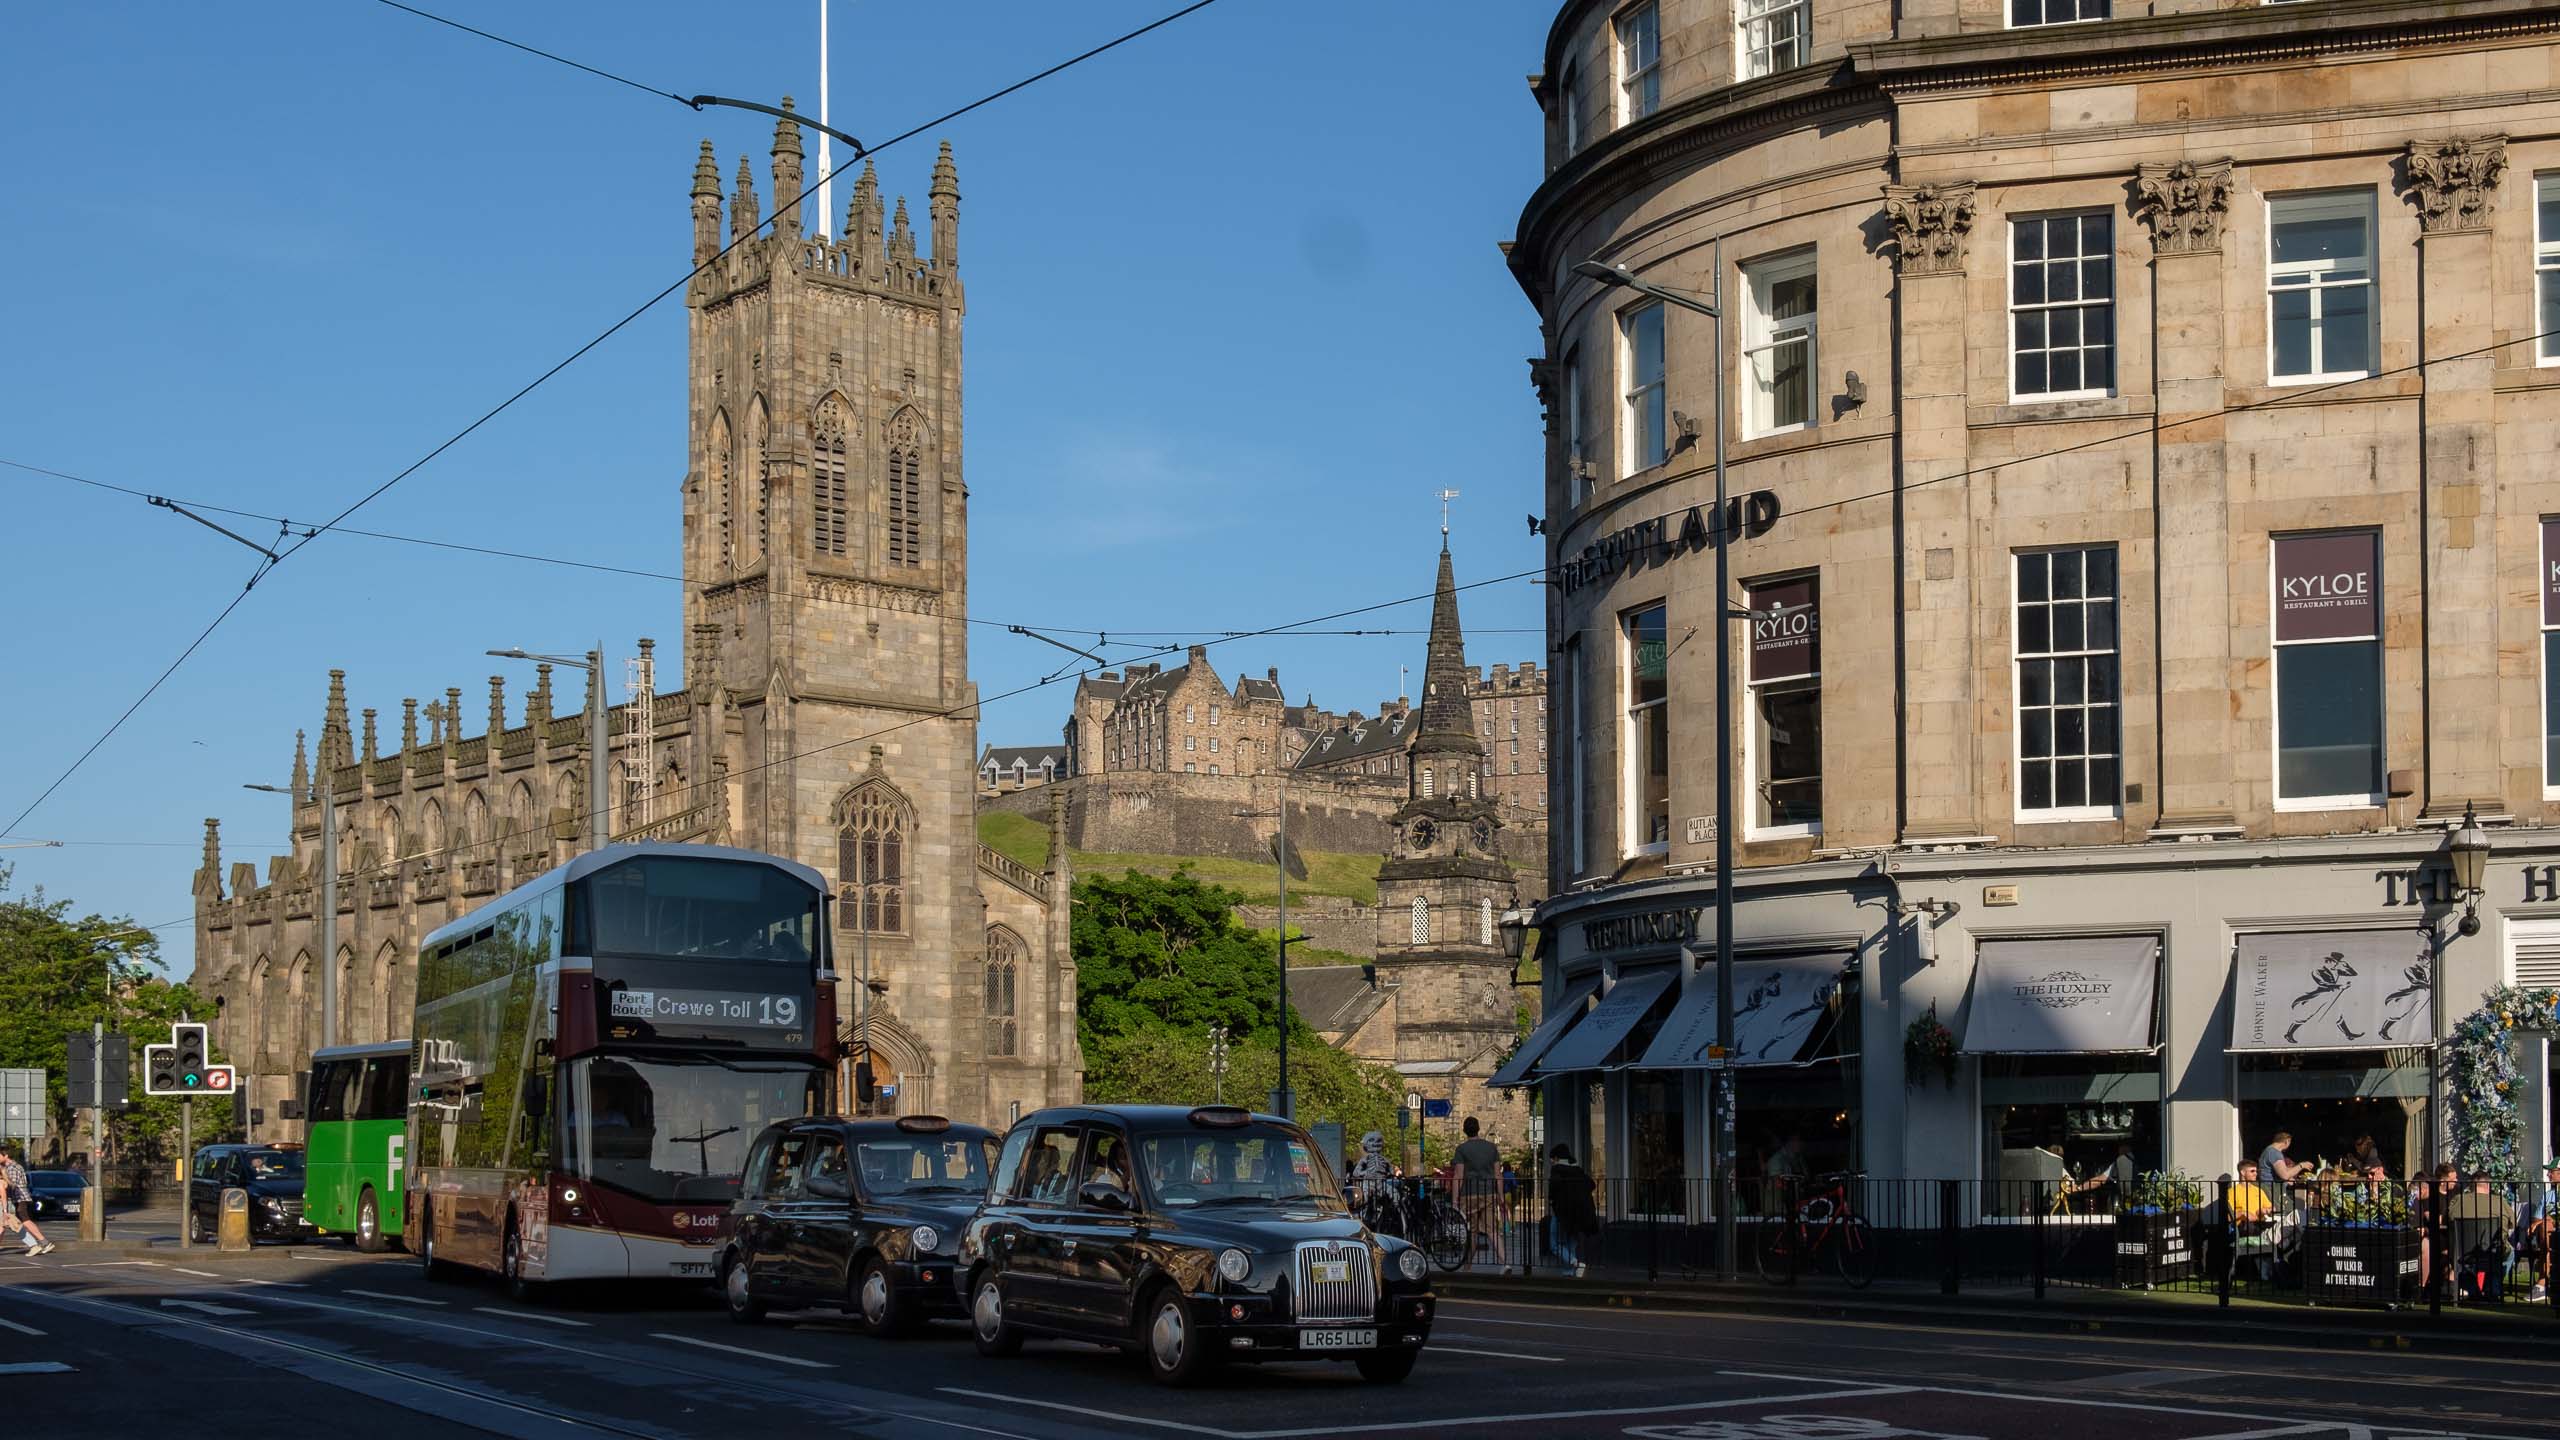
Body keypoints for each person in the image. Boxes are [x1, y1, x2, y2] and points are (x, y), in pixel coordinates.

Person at [1449, 1117, 1502, 1265]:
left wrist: (1454, 1200)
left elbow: (1458, 1175)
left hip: (1469, 1194)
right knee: (1492, 1231)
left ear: (1464, 1130)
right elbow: (1498, 1174)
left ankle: (1468, 1266)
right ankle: (1505, 1262)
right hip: (1489, 1192)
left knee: (1471, 1232)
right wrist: (1501, 1196)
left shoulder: (1461, 1149)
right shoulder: (1492, 1148)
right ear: (1478, 1129)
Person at [1546, 1143, 1597, 1277]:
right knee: (1571, 1243)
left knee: (1554, 1243)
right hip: (1578, 1213)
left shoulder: (1557, 1170)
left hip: (1561, 1212)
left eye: (1552, 1159)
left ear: (1556, 1158)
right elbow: (1592, 1184)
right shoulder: (1577, 1170)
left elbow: (1552, 1192)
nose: (1551, 1162)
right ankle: (1570, 1272)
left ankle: (1574, 1263)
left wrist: (1554, 1201)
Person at [0, 1142, 52, 1256]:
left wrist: (3, 1181)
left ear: (6, 1156)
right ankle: (42, 1243)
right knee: (11, 1224)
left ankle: (43, 1243)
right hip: (18, 1198)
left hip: (19, 1198)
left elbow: (11, 1185)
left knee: (23, 1222)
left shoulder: (11, 1168)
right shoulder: (12, 1166)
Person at [1762, 1134, 1807, 1218]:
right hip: (1777, 1208)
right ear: (1789, 1143)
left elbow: (1805, 1176)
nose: (1802, 1144)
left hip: (1790, 1205)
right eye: (1798, 1141)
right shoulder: (1777, 1159)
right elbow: (1776, 1182)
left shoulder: (1798, 1159)